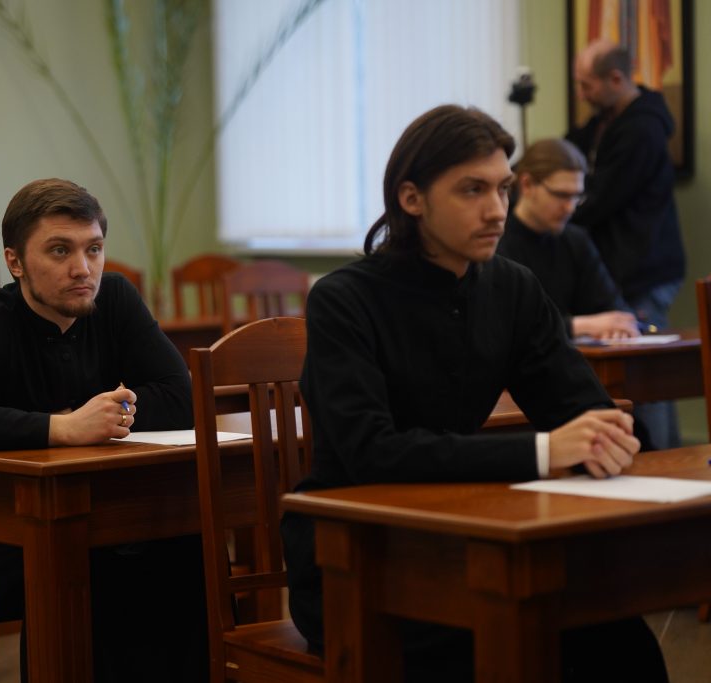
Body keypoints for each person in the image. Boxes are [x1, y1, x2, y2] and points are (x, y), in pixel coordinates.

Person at [280, 105, 668, 682]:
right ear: (411, 199)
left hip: (464, 537)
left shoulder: (512, 288)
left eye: (503, 188)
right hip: (354, 556)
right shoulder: (343, 299)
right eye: (472, 190)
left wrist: (612, 438)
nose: (497, 210)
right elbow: (372, 452)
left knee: (620, 642)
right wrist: (546, 451)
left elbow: (581, 408)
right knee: (505, 642)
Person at [0, 178, 207, 682]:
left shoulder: (115, 298)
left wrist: (106, 419)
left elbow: (181, 397)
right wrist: (62, 428)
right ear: (16, 262)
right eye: (59, 250)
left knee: (186, 546)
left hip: (93, 506)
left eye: (94, 249)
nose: (83, 268)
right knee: (97, 560)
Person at [568, 39, 685, 448]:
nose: (581, 95)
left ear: (615, 79)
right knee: (642, 377)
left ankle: (659, 461)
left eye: (586, 85)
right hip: (622, 268)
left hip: (644, 269)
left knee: (645, 377)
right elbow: (567, 151)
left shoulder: (643, 129)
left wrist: (559, 215)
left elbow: (602, 198)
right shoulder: (604, 122)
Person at [497, 137, 639, 341]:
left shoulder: (576, 240)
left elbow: (614, 310)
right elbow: (507, 325)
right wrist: (579, 326)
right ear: (527, 184)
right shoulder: (496, 243)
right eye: (562, 195)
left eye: (577, 197)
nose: (570, 208)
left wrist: (616, 327)